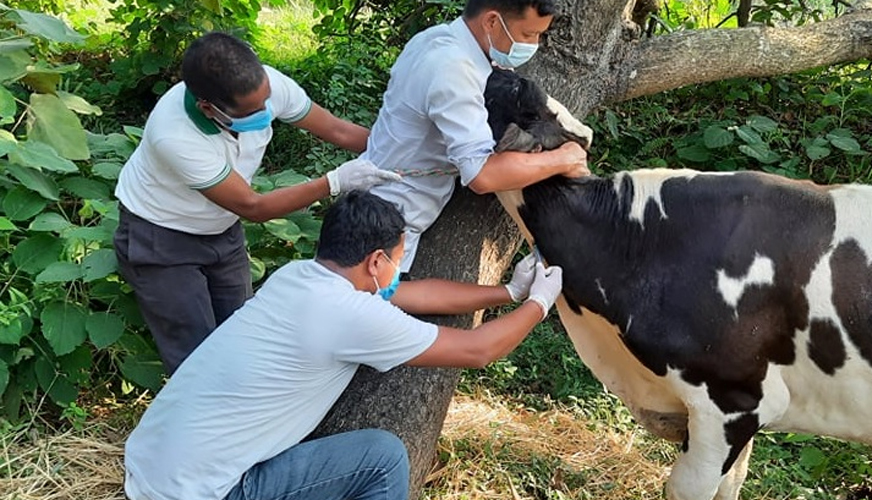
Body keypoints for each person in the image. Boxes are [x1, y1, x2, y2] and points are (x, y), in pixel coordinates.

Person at [122, 190, 563, 500]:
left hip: (148, 466)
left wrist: (510, 293)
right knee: (383, 457)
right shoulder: (353, 316)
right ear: (376, 261)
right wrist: (542, 304)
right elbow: (477, 350)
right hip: (202, 493)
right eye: (397, 259)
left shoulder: (297, 277)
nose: (397, 272)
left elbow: (419, 294)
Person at [113, 32, 401, 375]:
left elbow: (336, 130)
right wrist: (334, 182)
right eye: (252, 110)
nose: (266, 111)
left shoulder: (264, 85)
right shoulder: (174, 135)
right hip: (162, 238)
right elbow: (253, 207)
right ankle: (205, 422)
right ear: (209, 107)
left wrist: (396, 152)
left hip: (221, 230)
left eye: (267, 101)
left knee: (242, 331)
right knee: (195, 355)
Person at [362, 0, 590, 274]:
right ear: (492, 22)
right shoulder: (454, 69)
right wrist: (563, 159)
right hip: (389, 223)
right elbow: (481, 175)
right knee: (369, 307)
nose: (534, 44)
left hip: (376, 196)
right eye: (528, 35)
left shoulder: (433, 39)